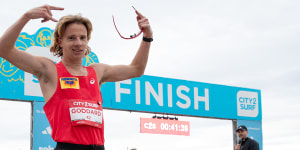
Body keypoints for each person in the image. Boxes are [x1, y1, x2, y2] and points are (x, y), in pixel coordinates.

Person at [0, 4, 152, 150]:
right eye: (71, 38)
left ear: (87, 40)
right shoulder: (49, 70)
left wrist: (147, 36)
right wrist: (26, 17)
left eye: (82, 37)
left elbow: (136, 69)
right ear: (60, 41)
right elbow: (4, 49)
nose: (79, 43)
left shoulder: (97, 71)